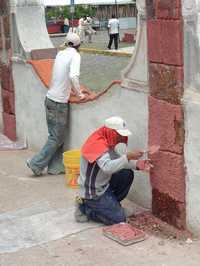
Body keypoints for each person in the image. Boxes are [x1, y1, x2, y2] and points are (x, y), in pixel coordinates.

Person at [75, 116, 152, 225]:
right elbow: (108, 167)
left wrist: (138, 165)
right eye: (119, 135)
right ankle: (85, 208)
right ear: (111, 132)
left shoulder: (106, 139)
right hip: (92, 192)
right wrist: (127, 157)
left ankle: (110, 206)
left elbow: (117, 160)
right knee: (119, 219)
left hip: (103, 185)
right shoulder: (97, 144)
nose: (121, 138)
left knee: (126, 173)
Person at [27, 33, 85, 176]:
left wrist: (70, 90)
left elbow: (59, 76)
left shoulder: (60, 54)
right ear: (78, 45)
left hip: (50, 98)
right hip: (59, 103)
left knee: (56, 136)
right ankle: (36, 163)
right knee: (56, 137)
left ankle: (55, 167)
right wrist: (79, 94)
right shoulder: (75, 56)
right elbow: (72, 76)